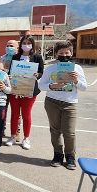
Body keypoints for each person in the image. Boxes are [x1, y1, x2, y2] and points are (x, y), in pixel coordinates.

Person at [38, 41, 87, 170]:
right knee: (55, 131)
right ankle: (58, 155)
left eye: (67, 52)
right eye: (61, 53)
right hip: (52, 102)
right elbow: (40, 84)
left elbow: (84, 87)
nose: (64, 55)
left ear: (71, 53)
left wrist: (76, 80)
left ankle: (70, 156)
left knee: (69, 132)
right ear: (56, 54)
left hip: (70, 104)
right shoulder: (50, 68)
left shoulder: (77, 68)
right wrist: (51, 86)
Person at [5, 36, 44, 150]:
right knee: (15, 114)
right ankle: (12, 136)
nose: (26, 45)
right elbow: (12, 71)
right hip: (15, 89)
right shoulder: (15, 57)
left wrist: (38, 75)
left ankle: (26, 138)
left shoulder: (37, 57)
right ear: (21, 44)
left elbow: (41, 71)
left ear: (32, 44)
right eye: (24, 43)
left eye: (28, 43)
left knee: (26, 115)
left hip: (30, 90)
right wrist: (11, 76)